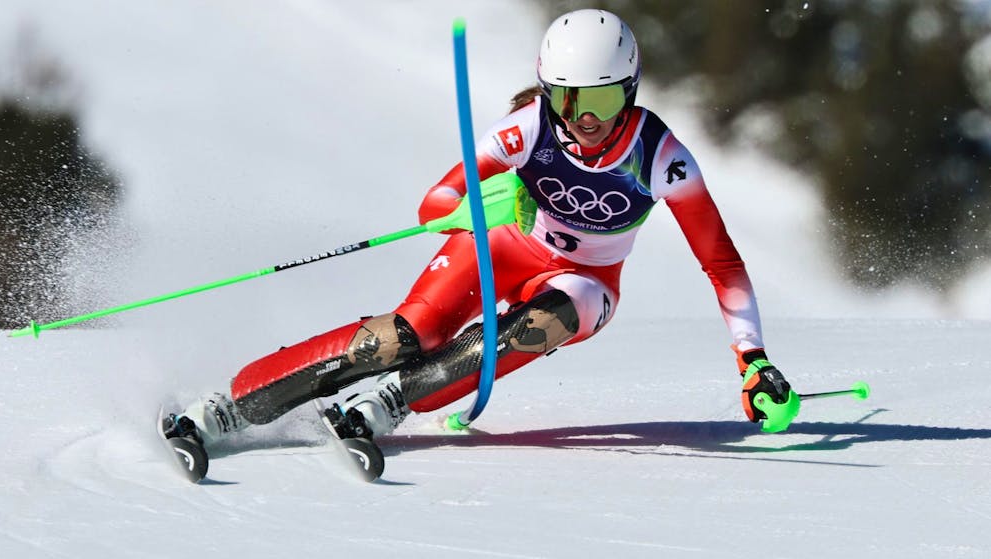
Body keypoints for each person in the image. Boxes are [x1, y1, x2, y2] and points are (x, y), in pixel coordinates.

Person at [167, 9, 794, 449]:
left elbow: (722, 265)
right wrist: (470, 208)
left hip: (586, 278)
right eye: (569, 101)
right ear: (549, 94)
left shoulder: (663, 157)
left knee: (545, 321)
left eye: (602, 103)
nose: (585, 121)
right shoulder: (527, 129)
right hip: (502, 246)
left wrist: (753, 361)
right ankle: (232, 407)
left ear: (629, 92)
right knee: (402, 337)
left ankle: (390, 404)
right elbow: (437, 199)